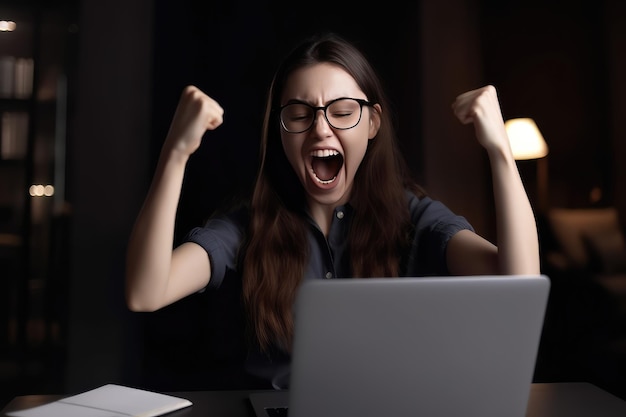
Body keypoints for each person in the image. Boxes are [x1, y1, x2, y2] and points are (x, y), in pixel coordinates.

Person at [125, 32, 540, 389]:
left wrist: (500, 150)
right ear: (280, 131)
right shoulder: (248, 225)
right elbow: (146, 292)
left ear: (372, 124)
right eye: (300, 115)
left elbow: (519, 283)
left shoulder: (415, 218)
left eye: (342, 112)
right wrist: (175, 153)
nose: (322, 128)